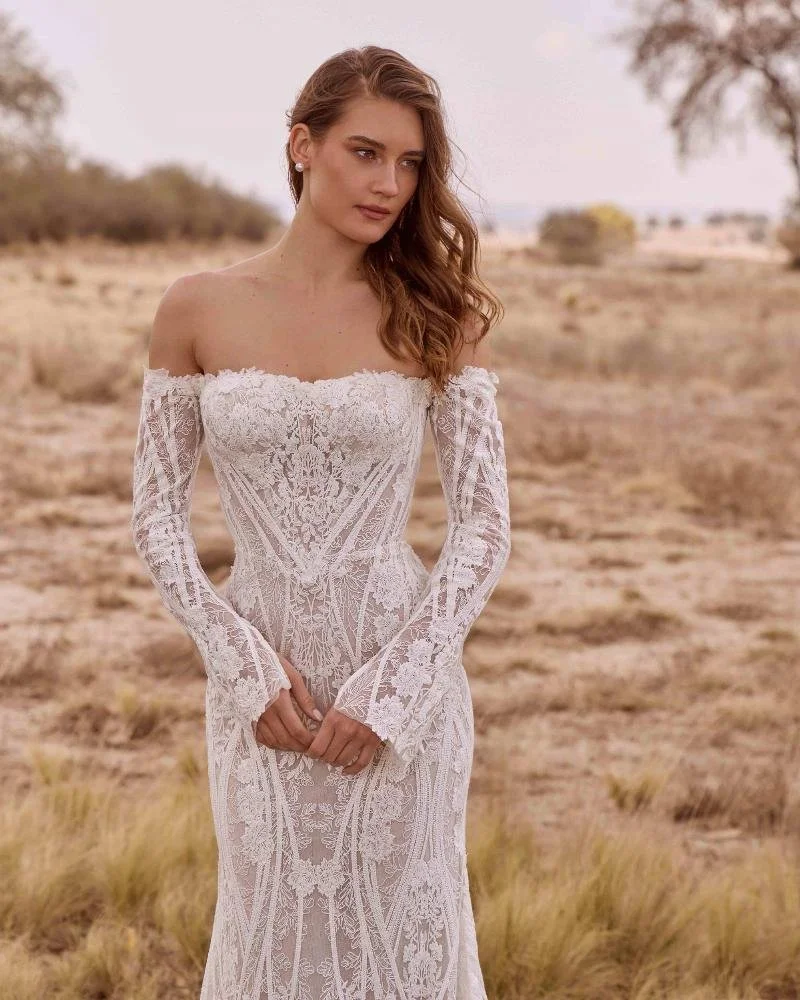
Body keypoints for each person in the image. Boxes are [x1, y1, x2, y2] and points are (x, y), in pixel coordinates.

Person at [130, 44, 511, 1000]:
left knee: (402, 945)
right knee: (269, 944)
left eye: (411, 164)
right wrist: (239, 661)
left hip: (401, 681)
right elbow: (156, 516)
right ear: (303, 145)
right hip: (261, 693)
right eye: (365, 153)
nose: (390, 184)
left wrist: (397, 686)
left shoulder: (437, 311)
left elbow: (482, 526)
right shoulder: (197, 307)